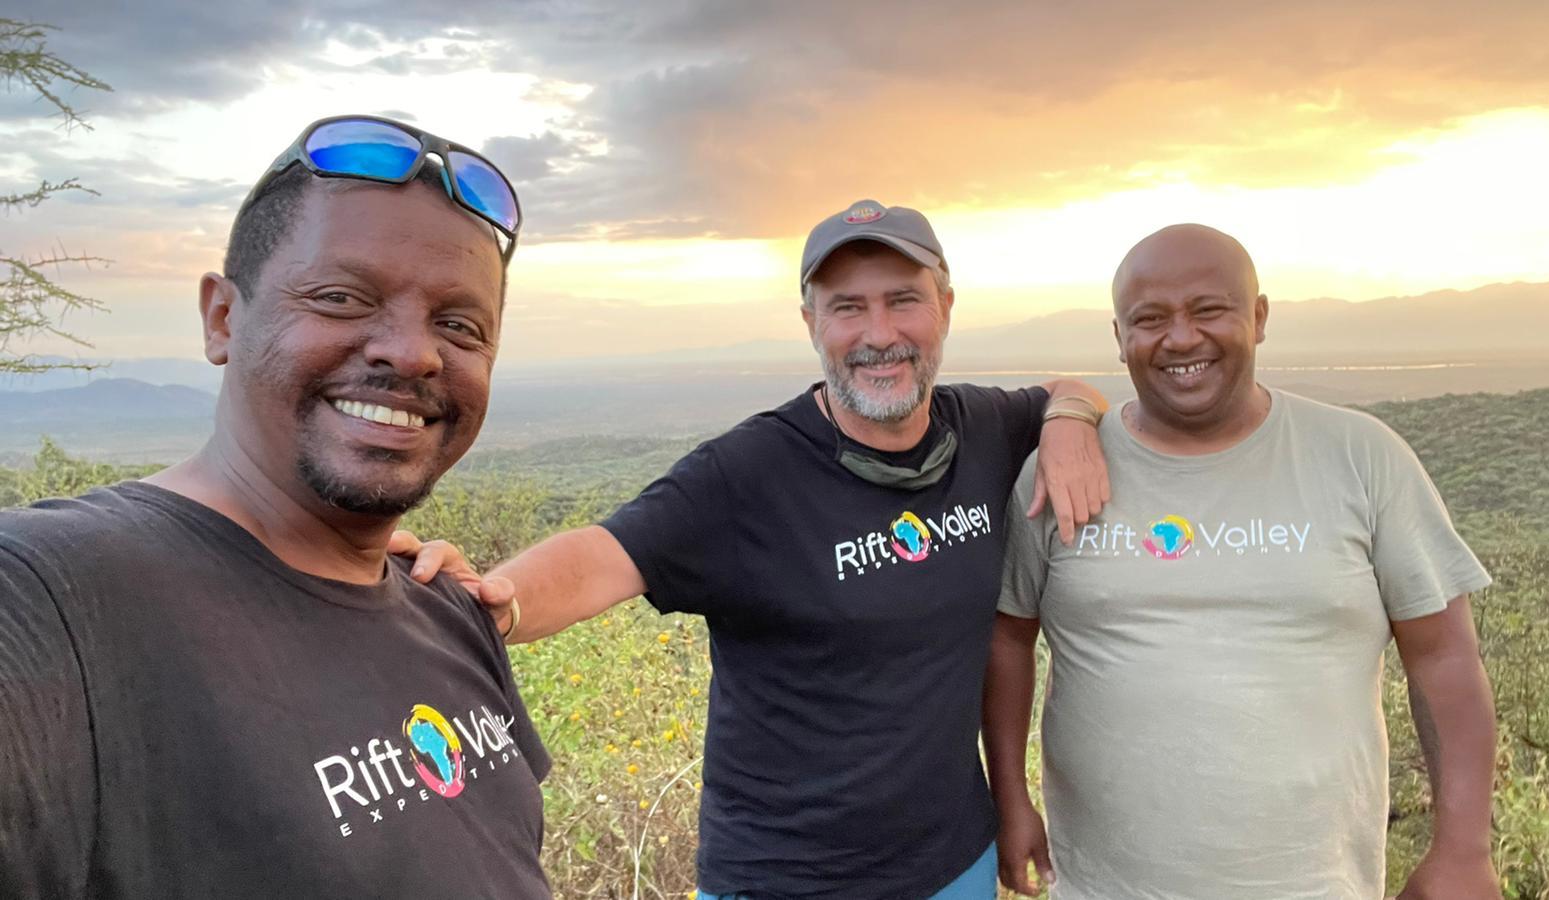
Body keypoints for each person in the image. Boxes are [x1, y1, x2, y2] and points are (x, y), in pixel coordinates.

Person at [399, 199, 1113, 899]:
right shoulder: (748, 474)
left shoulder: (983, 427)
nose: (880, 333)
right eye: (847, 308)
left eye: (904, 301)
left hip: (955, 861)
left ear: (946, 308)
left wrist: (1072, 418)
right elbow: (605, 553)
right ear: (811, 323)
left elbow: (1063, 389)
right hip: (788, 878)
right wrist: (490, 603)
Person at [0, 115, 554, 898]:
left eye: (459, 326)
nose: (413, 352)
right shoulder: (49, 599)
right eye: (341, 297)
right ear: (223, 317)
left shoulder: (447, 614)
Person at [983, 224, 1498, 899]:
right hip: (1105, 886)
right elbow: (1007, 636)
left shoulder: (1362, 456)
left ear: (1258, 318)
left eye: (1209, 310)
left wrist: (1463, 850)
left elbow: (1444, 658)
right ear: (1118, 337)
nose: (1180, 338)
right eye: (1150, 319)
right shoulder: (1058, 474)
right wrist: (1010, 797)